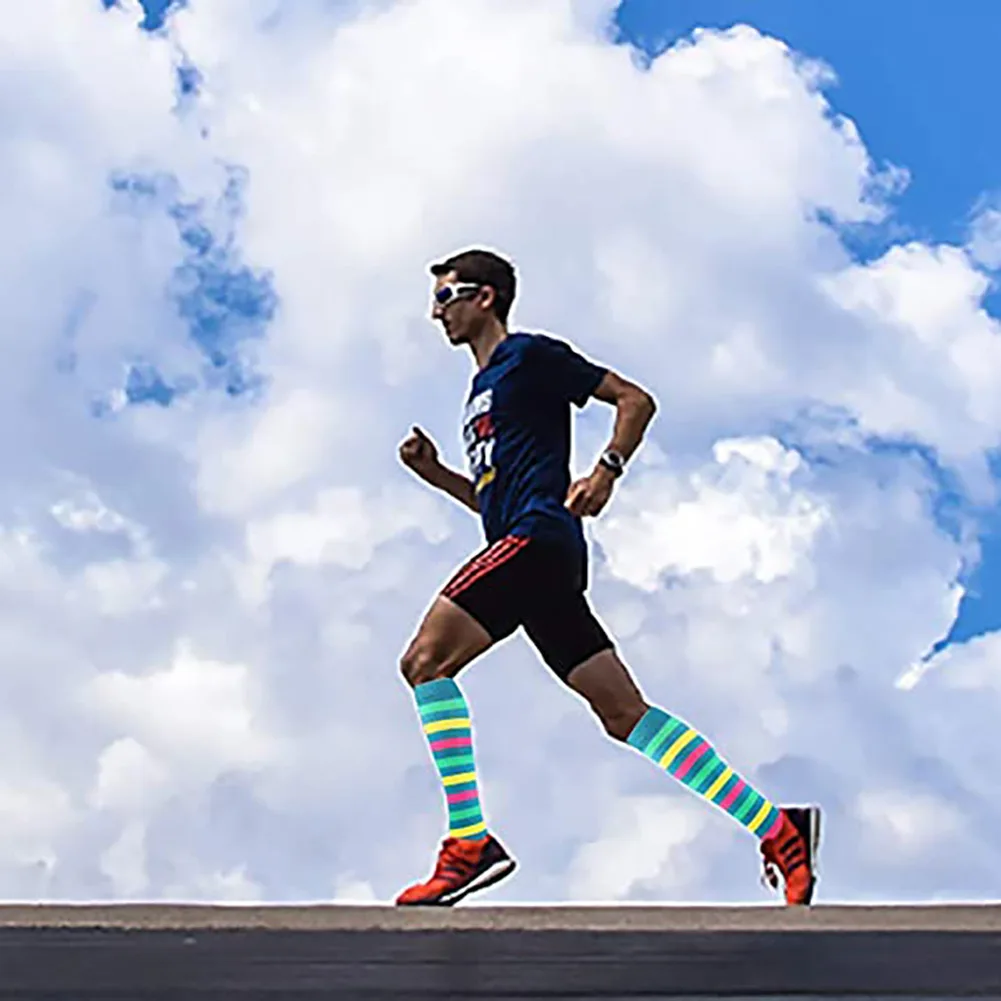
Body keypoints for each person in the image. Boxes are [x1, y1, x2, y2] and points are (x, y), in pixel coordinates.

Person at [395, 247, 820, 907]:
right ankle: (776, 827)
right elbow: (493, 502)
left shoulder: (529, 356)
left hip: (536, 541)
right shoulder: (478, 392)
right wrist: (436, 474)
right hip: (526, 547)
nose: (435, 311)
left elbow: (633, 399)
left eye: (447, 295)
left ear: (485, 297)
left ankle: (468, 840)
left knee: (425, 660)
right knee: (622, 714)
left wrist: (607, 468)